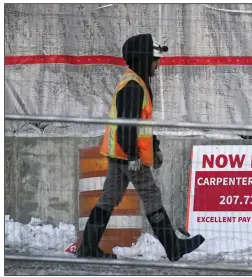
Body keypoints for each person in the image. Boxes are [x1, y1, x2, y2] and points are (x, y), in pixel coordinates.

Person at [76, 33, 205, 261]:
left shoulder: (137, 82)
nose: (158, 63)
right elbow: (127, 125)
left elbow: (142, 122)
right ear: (144, 59)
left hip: (121, 153)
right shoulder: (134, 86)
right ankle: (173, 248)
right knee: (151, 195)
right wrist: (134, 156)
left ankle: (87, 249)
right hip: (129, 155)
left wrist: (153, 146)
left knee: (108, 198)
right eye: (155, 59)